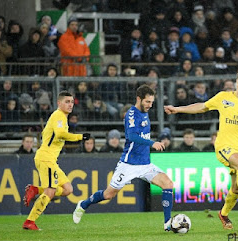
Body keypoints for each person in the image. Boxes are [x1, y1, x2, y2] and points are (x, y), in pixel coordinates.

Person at [164, 69, 238, 229]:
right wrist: (178, 109)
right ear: (235, 83)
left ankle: (223, 214)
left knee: (236, 188)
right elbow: (202, 106)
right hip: (224, 146)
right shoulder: (223, 97)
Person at [73, 85, 174, 231]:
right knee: (108, 194)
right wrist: (153, 144)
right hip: (129, 164)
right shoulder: (131, 114)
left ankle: (167, 224)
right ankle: (83, 204)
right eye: (147, 102)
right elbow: (132, 136)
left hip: (145, 164)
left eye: (152, 102)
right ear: (138, 99)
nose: (150, 105)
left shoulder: (145, 112)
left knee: (168, 184)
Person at [22, 91, 91, 230]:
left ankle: (35, 190)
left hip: (50, 160)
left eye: (72, 102)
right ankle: (30, 221)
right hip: (46, 158)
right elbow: (60, 134)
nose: (70, 104)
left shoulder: (62, 118)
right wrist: (80, 137)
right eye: (67, 101)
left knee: (67, 189)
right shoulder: (58, 115)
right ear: (59, 103)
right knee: (51, 191)